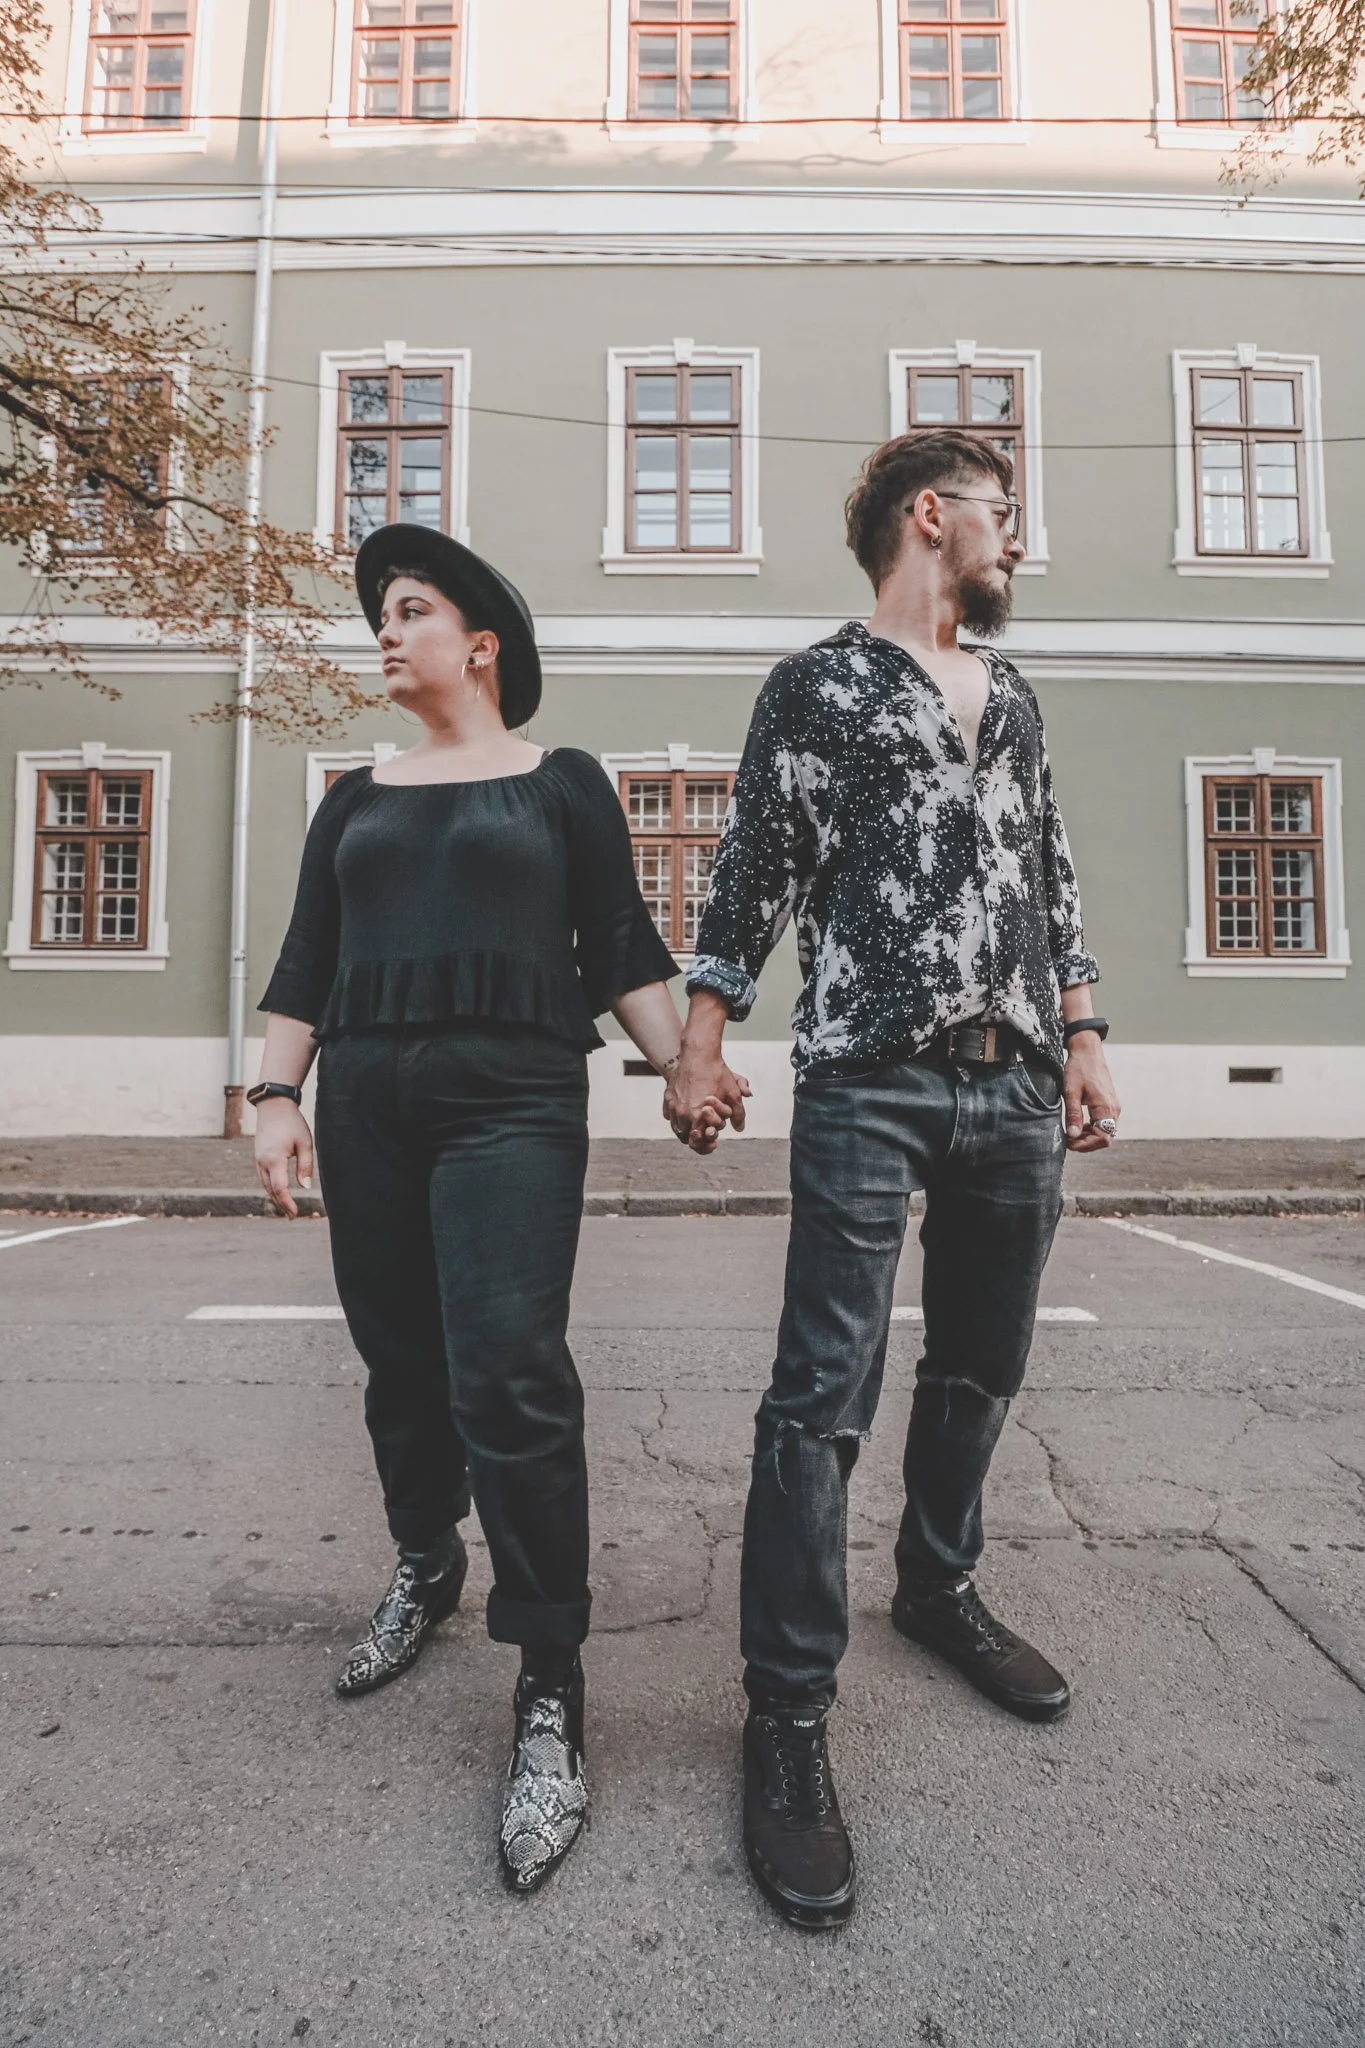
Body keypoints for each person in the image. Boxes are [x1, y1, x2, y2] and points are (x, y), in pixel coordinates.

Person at [664, 428, 1121, 1928]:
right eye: (1005, 516)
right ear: (933, 517)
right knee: (823, 1392)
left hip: (1016, 1083)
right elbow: (755, 866)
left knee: (983, 1361)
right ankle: (787, 1718)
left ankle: (936, 1587)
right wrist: (700, 1041)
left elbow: (1050, 872)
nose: (1017, 544)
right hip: (871, 1073)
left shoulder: (1020, 695)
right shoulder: (821, 686)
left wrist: (1087, 1038)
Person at [251, 523, 716, 1894]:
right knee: (400, 1358)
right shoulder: (355, 793)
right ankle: (422, 1563)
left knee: (510, 1367)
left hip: (515, 1098)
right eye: (380, 616)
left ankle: (552, 1685)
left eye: (408, 611)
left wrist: (683, 1061)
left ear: (480, 643)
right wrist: (274, 1100)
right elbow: (304, 959)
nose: (384, 634)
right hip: (371, 1102)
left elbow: (621, 944)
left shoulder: (561, 783)